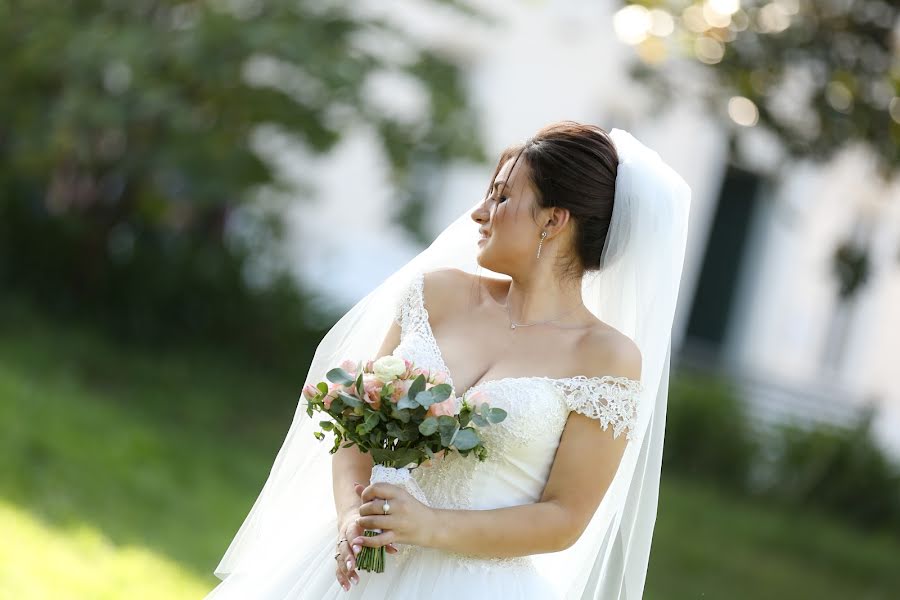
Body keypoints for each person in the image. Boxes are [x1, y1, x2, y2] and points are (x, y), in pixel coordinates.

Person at [205, 121, 691, 599]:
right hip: (355, 572)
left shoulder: (604, 357)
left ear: (553, 220)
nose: (480, 213)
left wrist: (430, 525)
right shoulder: (435, 293)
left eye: (501, 198)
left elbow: (564, 518)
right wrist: (352, 515)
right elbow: (357, 423)